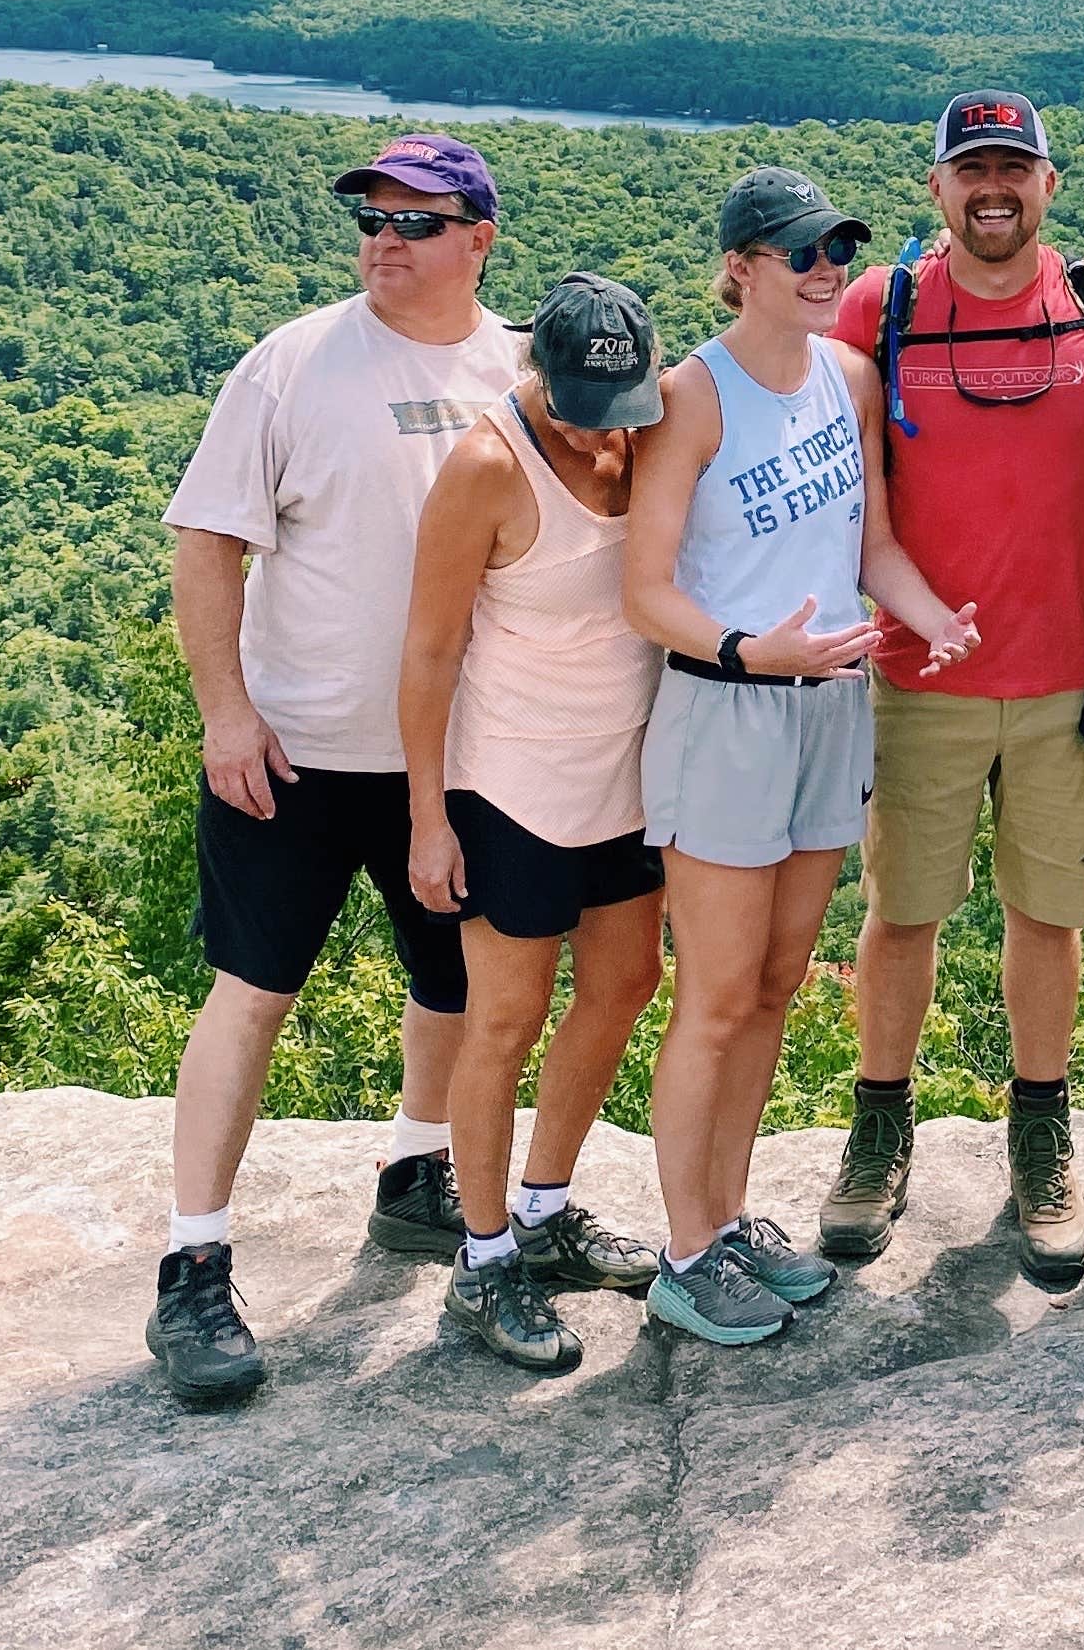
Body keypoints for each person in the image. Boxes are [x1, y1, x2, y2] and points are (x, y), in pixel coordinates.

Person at [148, 135, 526, 1407]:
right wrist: (225, 712)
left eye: (419, 221)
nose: (383, 238)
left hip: (463, 756)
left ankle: (420, 1176)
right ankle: (193, 1264)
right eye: (371, 215)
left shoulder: (522, 371)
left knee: (460, 983)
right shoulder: (292, 364)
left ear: (480, 238)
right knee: (251, 994)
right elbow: (206, 544)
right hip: (295, 753)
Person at [622, 166, 980, 1349]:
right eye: (798, 253)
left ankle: (725, 1223)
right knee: (716, 996)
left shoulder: (851, 375)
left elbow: (869, 536)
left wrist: (927, 614)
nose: (826, 269)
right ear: (739, 267)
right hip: (727, 708)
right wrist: (746, 650)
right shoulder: (691, 395)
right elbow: (644, 589)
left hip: (832, 704)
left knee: (775, 985)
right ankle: (683, 1251)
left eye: (837, 249)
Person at [820, 95, 1084, 1290]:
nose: (993, 187)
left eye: (1014, 166)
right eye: (971, 169)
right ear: (938, 190)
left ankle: (1040, 1127)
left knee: (1047, 915)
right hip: (923, 673)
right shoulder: (887, 307)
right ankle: (877, 1125)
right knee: (903, 909)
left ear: (1050, 184)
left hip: (1072, 667)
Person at [396, 274, 672, 1378]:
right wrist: (427, 814)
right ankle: (482, 1255)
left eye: (618, 398)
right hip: (509, 784)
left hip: (628, 777)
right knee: (502, 1018)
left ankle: (548, 1207)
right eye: (578, 398)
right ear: (535, 370)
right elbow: (427, 650)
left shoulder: (639, 432)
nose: (598, 422)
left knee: (622, 986)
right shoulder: (486, 464)